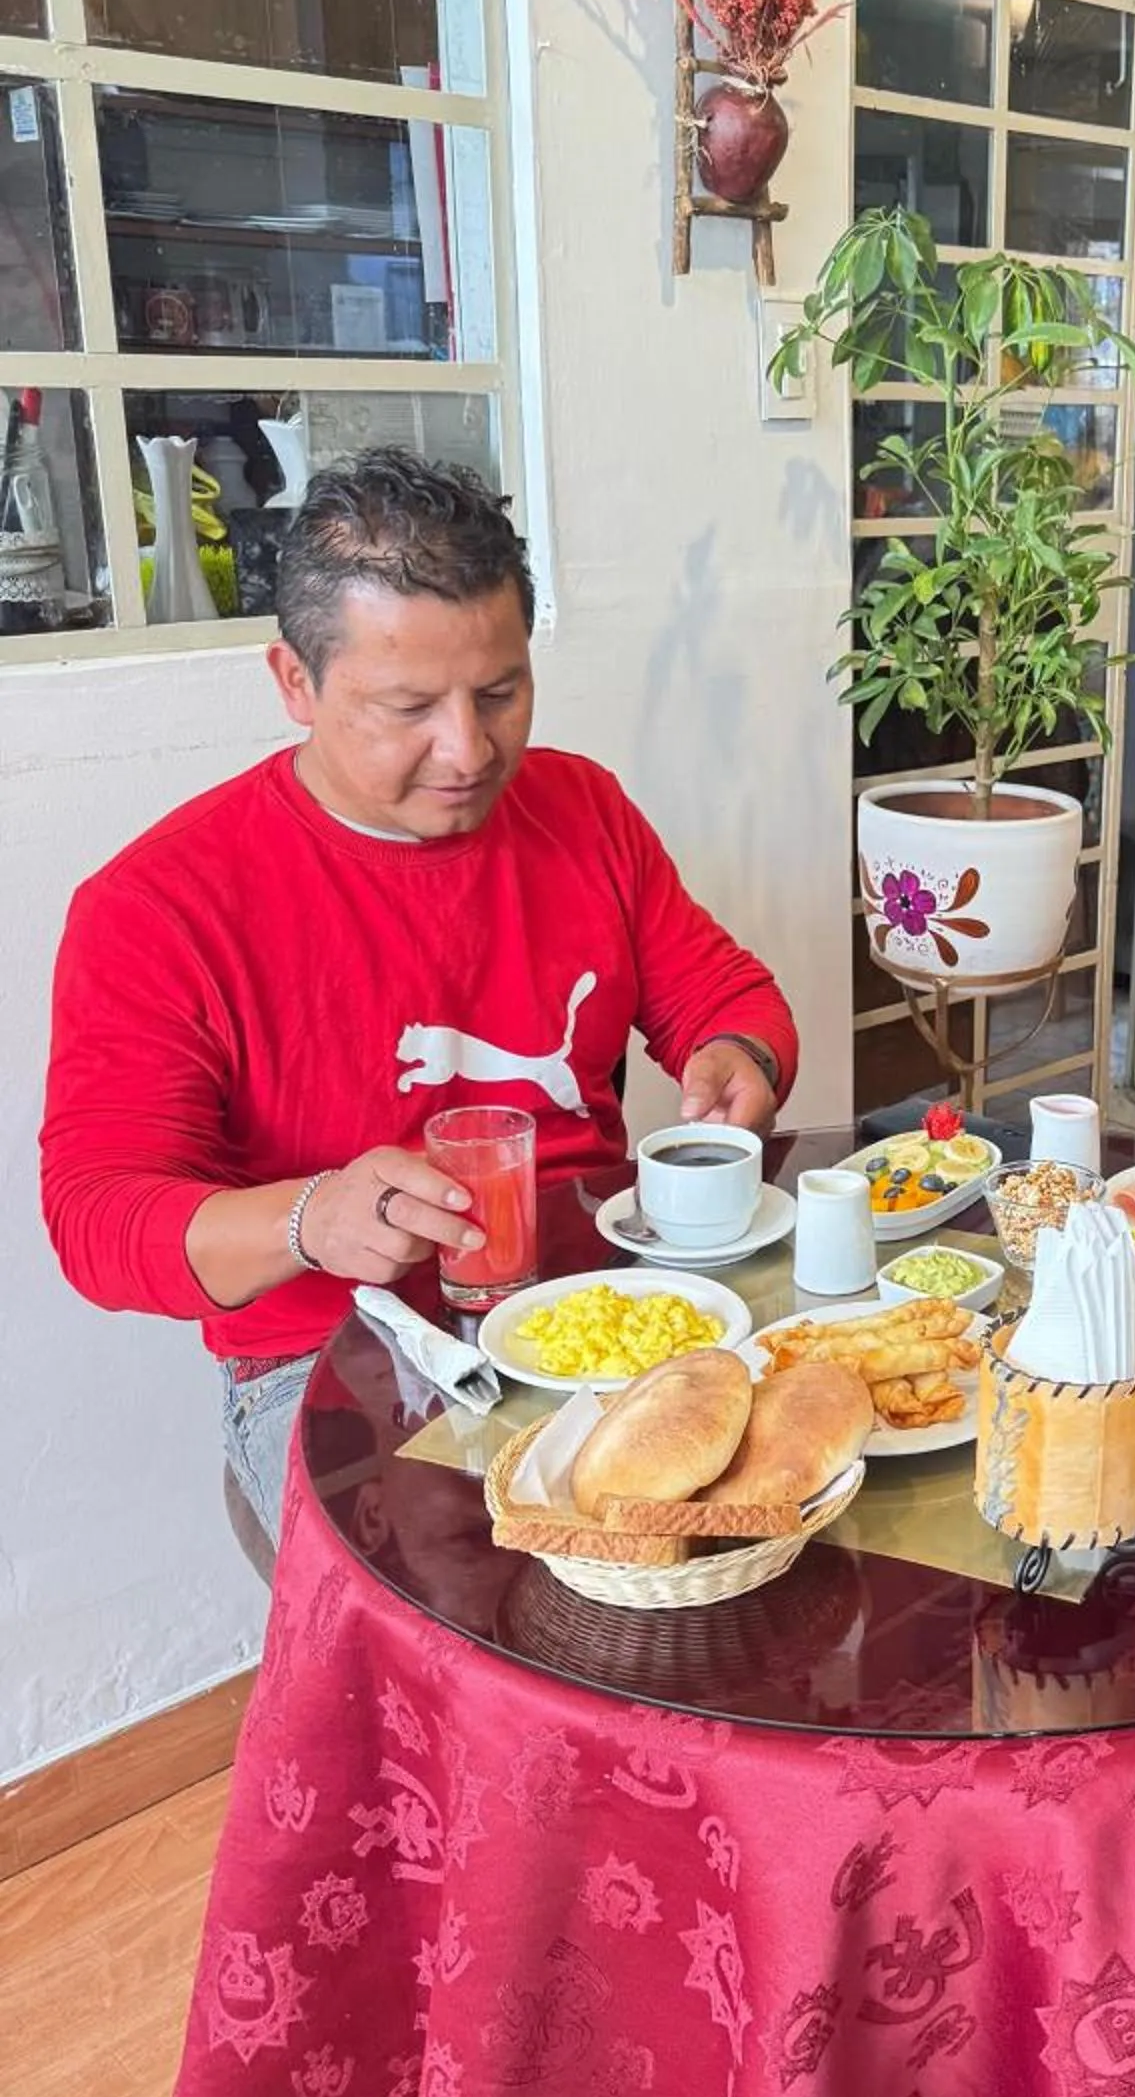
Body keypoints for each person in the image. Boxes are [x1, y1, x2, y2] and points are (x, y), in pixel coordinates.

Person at [42, 447, 799, 1539]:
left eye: (500, 693)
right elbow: (100, 1215)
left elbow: (721, 992)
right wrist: (310, 1219)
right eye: (406, 707)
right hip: (329, 1357)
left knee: (788, 1528)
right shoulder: (160, 907)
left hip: (605, 1303)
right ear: (294, 682)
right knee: (499, 1618)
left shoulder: (579, 808)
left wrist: (745, 1056)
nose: (468, 749)